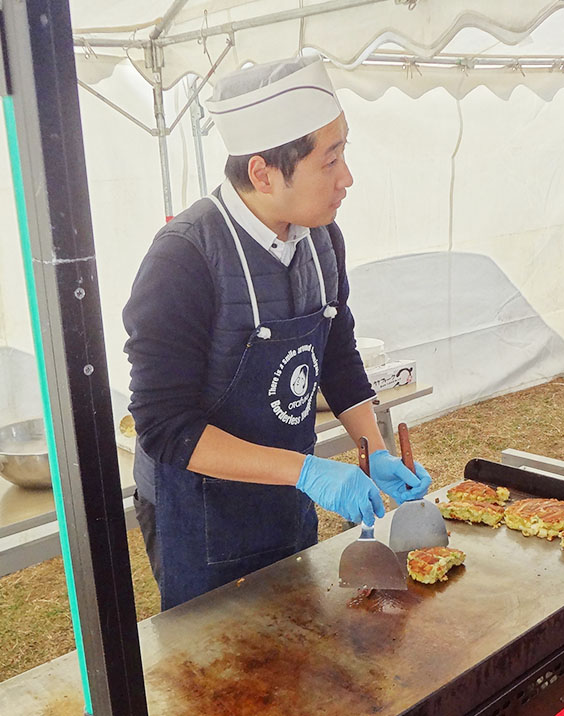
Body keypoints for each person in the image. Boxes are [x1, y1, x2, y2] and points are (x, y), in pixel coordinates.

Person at [123, 57, 432, 610]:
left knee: (297, 638)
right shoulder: (184, 258)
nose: (347, 178)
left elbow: (337, 356)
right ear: (263, 172)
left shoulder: (322, 238)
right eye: (330, 160)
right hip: (203, 510)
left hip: (289, 491)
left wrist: (374, 448)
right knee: (219, 672)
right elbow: (164, 426)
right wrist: (309, 472)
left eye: (346, 153)